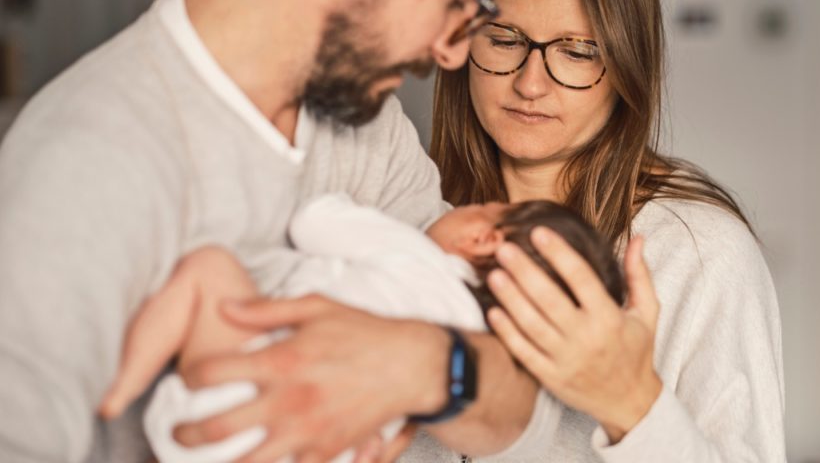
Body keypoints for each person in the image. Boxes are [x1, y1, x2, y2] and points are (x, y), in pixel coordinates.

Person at [0, 0, 587, 461]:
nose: (453, 53)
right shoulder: (82, 166)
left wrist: (430, 364)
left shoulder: (366, 122)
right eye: (462, 4)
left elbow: (524, 420)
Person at [427, 0, 787, 462]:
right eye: (504, 40)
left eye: (575, 52)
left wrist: (631, 405)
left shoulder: (701, 255)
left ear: (626, 66)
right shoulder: (407, 215)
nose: (530, 84)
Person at [98, 197, 623, 463]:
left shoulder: (413, 255)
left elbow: (315, 219)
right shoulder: (471, 337)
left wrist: (368, 219)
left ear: (484, 235)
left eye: (481, 205)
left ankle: (117, 391)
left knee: (208, 269)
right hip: (313, 447)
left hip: (232, 398)